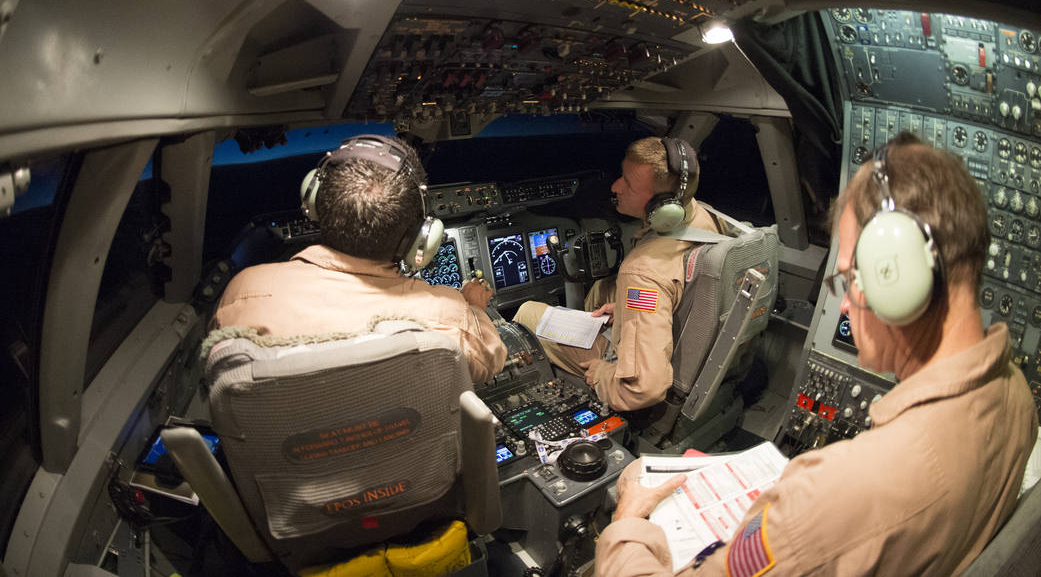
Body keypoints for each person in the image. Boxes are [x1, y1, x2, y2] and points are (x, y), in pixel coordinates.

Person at [595, 133, 1038, 576]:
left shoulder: (839, 494)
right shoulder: (1015, 396)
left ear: (895, 276)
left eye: (847, 279)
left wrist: (628, 521)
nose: (843, 306)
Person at [213, 134, 506, 383]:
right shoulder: (448, 317)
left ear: (313, 204)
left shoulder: (245, 294)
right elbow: (491, 361)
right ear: (420, 238)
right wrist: (475, 308)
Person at [514, 136, 723, 411]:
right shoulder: (702, 217)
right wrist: (627, 309)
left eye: (628, 182)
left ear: (662, 204)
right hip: (686, 337)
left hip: (639, 367)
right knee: (601, 290)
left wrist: (601, 373)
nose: (615, 186)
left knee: (527, 313)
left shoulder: (642, 272)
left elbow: (644, 387)